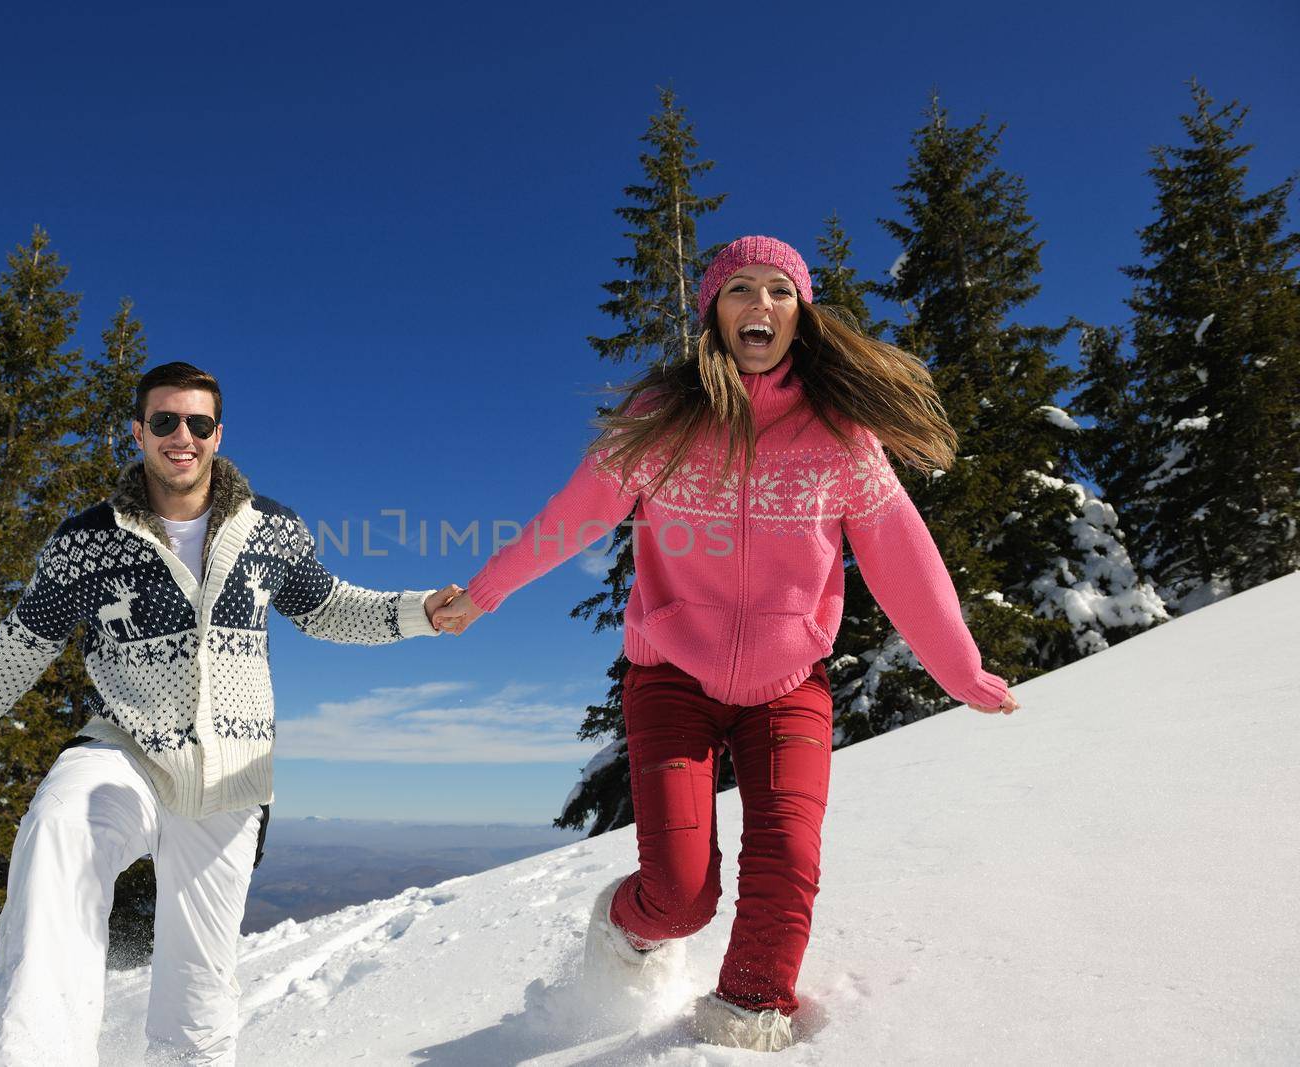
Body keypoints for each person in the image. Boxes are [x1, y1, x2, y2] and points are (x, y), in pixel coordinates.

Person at [431, 236, 1020, 1052]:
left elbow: (904, 560)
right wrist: (486, 591)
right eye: (740, 288)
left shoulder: (842, 436)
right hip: (671, 677)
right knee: (678, 896)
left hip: (790, 685)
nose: (761, 304)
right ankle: (625, 926)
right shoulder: (661, 421)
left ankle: (741, 1022)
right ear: (716, 311)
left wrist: (962, 670)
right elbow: (573, 515)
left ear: (800, 313)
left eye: (779, 289)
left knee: (785, 867)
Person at [0, 361, 458, 1066]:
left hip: (232, 774)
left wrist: (419, 611)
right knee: (59, 830)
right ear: (139, 432)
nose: (181, 436)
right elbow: (22, 641)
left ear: (219, 434)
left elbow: (327, 606)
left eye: (197, 422)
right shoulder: (86, 540)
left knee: (199, 990)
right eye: (164, 421)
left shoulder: (270, 528)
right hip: (122, 747)